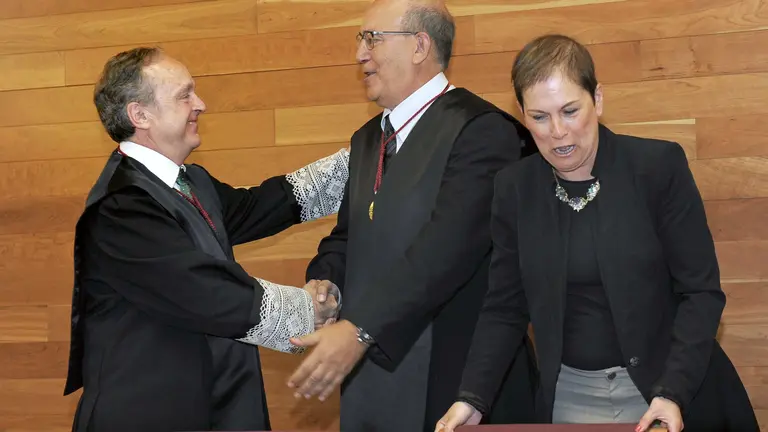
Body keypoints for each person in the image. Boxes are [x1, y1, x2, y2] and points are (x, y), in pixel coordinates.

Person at [436, 34, 759, 432]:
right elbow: (505, 307)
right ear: (522, 115)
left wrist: (672, 391)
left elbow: (701, 293)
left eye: (570, 111)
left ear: (598, 100)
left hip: (671, 388)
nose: (557, 131)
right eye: (539, 117)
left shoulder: (657, 168)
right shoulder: (514, 189)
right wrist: (472, 397)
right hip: (570, 398)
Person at [63, 47, 349, 432]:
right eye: (185, 94)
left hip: (214, 405)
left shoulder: (191, 182)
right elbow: (203, 291)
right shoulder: (121, 206)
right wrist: (308, 311)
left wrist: (357, 163)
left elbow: (263, 206)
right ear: (140, 115)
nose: (201, 104)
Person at [284, 1, 539, 431]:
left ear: (420, 45)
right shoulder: (367, 139)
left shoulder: (482, 131)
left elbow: (446, 249)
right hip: (374, 378)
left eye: (372, 38)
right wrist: (326, 281)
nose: (360, 53)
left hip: (456, 378)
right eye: (360, 39)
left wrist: (361, 330)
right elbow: (350, 235)